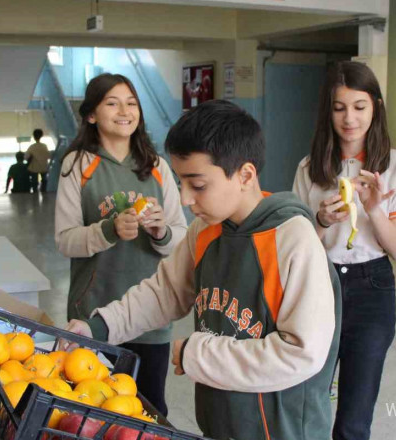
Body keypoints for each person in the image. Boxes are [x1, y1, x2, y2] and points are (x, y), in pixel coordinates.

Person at [66, 100, 341, 440]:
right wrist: (98, 327)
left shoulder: (293, 239)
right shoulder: (206, 230)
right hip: (222, 422)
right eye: (181, 183)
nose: (184, 199)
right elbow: (164, 293)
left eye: (197, 185)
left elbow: (301, 354)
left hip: (282, 430)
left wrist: (198, 354)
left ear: (245, 175)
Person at [292, 61, 396, 440]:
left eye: (359, 107)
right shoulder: (310, 168)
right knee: (307, 404)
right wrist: (322, 220)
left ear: (375, 107)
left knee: (355, 418)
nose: (350, 118)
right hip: (320, 285)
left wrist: (374, 207)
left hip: (372, 286)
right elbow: (297, 245)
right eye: (339, 107)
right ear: (327, 111)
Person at [55, 73, 187, 416]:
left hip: (151, 316)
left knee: (149, 411)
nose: (124, 111)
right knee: (95, 412)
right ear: (91, 114)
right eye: (112, 103)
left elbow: (181, 237)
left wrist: (161, 232)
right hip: (93, 311)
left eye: (131, 103)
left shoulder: (156, 166)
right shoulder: (78, 164)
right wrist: (109, 230)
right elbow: (65, 241)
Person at [26, 128, 52, 193]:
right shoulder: (44, 146)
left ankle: (35, 193)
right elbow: (48, 156)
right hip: (44, 167)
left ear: (34, 136)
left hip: (34, 168)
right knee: (44, 180)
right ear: (41, 136)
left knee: (34, 182)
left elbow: (26, 157)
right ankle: (44, 192)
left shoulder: (32, 147)